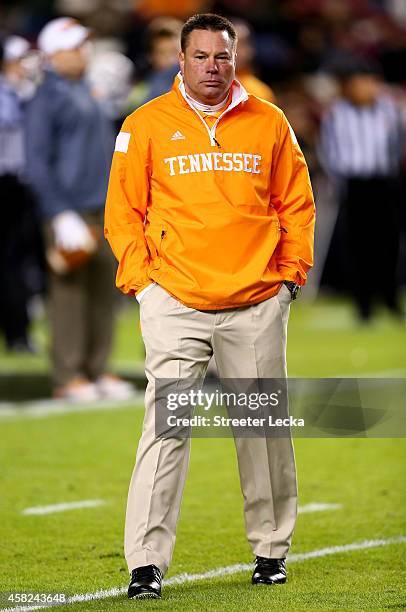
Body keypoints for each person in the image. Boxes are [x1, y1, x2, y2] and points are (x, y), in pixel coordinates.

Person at [105, 13, 315, 599]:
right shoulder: (144, 123)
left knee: (261, 428)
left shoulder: (269, 122)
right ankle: (145, 562)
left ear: (235, 58)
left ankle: (271, 549)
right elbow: (123, 211)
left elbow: (296, 202)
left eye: (222, 56)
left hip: (255, 299)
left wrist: (289, 277)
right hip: (174, 299)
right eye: (201, 56)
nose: (212, 67)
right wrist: (143, 284)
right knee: (166, 430)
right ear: (180, 59)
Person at [25, 17, 134, 401]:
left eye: (84, 45)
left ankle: (98, 368)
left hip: (103, 207)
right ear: (54, 53)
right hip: (69, 209)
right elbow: (36, 161)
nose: (83, 52)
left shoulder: (87, 89)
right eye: (74, 47)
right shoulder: (45, 97)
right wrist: (58, 211)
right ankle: (68, 374)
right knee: (69, 296)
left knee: (104, 292)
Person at [319, 59, 403, 321]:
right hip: (354, 185)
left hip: (384, 182)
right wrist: (339, 177)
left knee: (388, 244)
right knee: (357, 246)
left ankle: (390, 299)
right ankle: (363, 304)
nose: (366, 88)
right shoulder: (337, 113)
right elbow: (328, 150)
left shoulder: (390, 111)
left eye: (370, 82)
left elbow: (399, 144)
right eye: (360, 83)